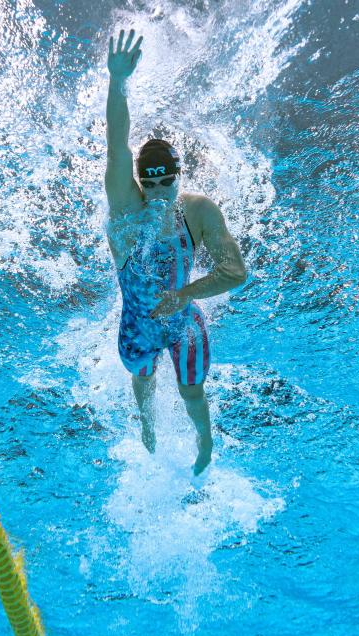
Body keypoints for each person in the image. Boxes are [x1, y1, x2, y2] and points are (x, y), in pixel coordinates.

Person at [104, 29, 247, 475]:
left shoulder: (199, 211)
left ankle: (204, 441)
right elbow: (117, 146)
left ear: (179, 176)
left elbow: (235, 272)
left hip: (185, 324)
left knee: (192, 394)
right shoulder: (127, 207)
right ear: (140, 182)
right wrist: (117, 82)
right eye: (151, 183)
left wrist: (184, 295)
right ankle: (148, 428)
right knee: (142, 384)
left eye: (167, 181)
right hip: (137, 328)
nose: (160, 191)